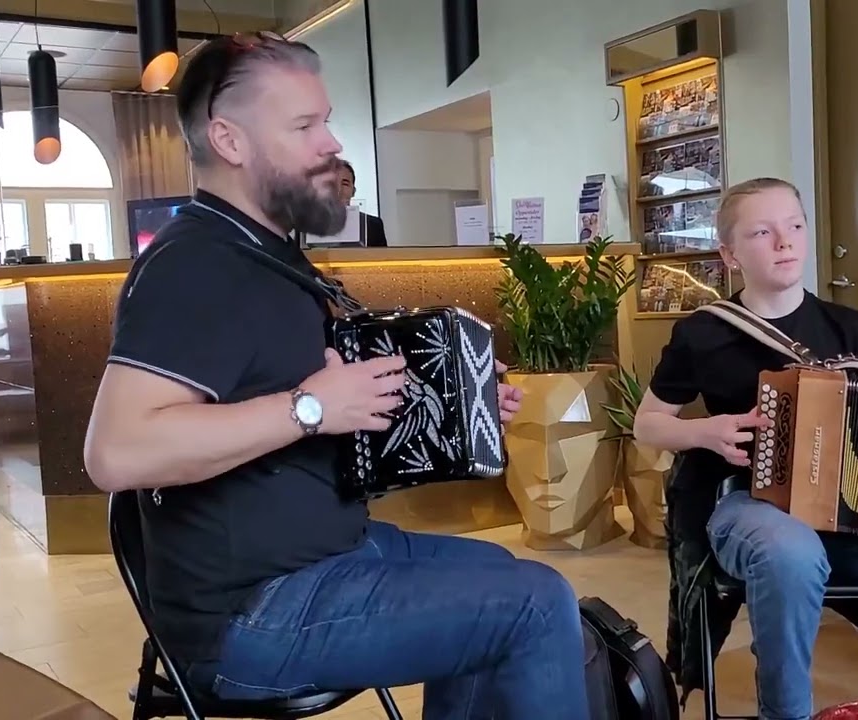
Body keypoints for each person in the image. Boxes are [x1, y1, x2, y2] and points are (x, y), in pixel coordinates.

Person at [83, 33, 587, 720]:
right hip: (251, 611)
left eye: (325, 120)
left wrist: (452, 400)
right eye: (304, 126)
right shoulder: (196, 265)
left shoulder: (268, 256)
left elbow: (320, 404)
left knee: (507, 576)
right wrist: (308, 409)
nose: (331, 142)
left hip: (328, 553)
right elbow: (117, 453)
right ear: (229, 141)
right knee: (534, 604)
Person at [633, 177, 858, 720]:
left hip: (852, 524)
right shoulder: (705, 332)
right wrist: (705, 432)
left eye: (795, 226)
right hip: (751, 507)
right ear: (729, 254)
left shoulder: (850, 328)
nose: (784, 241)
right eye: (762, 232)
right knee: (791, 551)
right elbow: (648, 424)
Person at [334, 158, 388, 247]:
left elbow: (383, 259)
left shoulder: (373, 225)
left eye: (345, 184)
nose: (338, 189)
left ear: (353, 191)